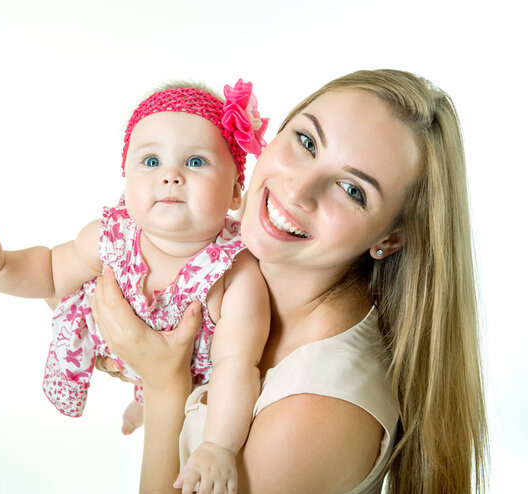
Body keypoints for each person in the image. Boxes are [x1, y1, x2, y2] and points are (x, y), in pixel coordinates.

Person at [92, 69, 489, 493]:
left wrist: (164, 386)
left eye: (352, 190)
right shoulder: (225, 273)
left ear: (388, 239)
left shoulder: (314, 411)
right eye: (306, 141)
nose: (298, 190)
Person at [0, 80, 272, 493]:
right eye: (151, 162)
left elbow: (236, 367)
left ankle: (149, 409)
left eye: (196, 162)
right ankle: (142, 403)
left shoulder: (234, 275)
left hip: (195, 389)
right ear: (125, 177)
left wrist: (219, 446)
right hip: (123, 355)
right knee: (73, 302)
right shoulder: (109, 236)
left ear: (236, 192)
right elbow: (48, 270)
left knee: (189, 433)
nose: (170, 176)